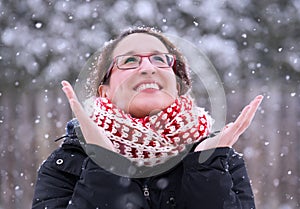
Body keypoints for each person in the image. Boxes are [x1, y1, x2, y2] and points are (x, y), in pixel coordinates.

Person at [31, 27, 263, 209]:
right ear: (104, 91)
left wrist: (206, 169)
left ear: (179, 86)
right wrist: (105, 165)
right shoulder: (65, 164)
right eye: (129, 60)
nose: (148, 68)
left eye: (160, 59)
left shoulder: (221, 160)